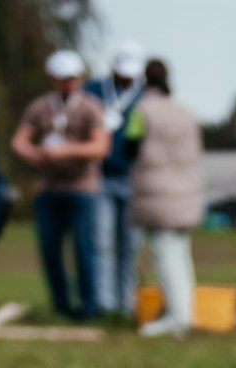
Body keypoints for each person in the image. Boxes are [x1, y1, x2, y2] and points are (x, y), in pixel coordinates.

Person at [11, 51, 112, 322]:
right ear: (52, 79)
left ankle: (89, 306)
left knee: (84, 248)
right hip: (49, 189)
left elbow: (100, 146)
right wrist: (31, 153)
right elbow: (19, 140)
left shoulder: (90, 107)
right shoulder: (40, 107)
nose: (67, 84)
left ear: (79, 78)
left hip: (83, 190)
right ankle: (61, 304)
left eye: (71, 79)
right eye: (61, 79)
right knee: (49, 249)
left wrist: (66, 151)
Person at [129, 59, 203, 338]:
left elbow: (129, 147)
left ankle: (177, 318)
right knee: (181, 255)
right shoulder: (187, 112)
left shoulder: (142, 112)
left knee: (164, 255)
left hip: (156, 193)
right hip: (188, 192)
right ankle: (184, 313)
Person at [87, 45, 147, 318]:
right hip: (100, 178)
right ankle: (105, 303)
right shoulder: (93, 91)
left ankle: (127, 304)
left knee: (129, 247)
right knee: (102, 243)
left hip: (135, 179)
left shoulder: (146, 97)